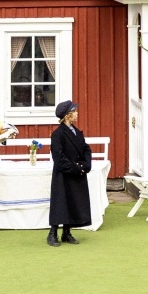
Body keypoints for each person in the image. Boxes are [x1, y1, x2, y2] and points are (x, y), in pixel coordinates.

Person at [48, 100, 93, 247]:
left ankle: (67, 232)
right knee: (60, 202)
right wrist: (75, 168)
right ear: (67, 116)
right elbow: (58, 158)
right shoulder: (58, 134)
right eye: (74, 111)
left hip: (77, 173)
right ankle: (52, 233)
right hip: (63, 174)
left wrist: (86, 164)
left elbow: (86, 149)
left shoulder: (76, 132)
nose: (77, 113)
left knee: (73, 202)